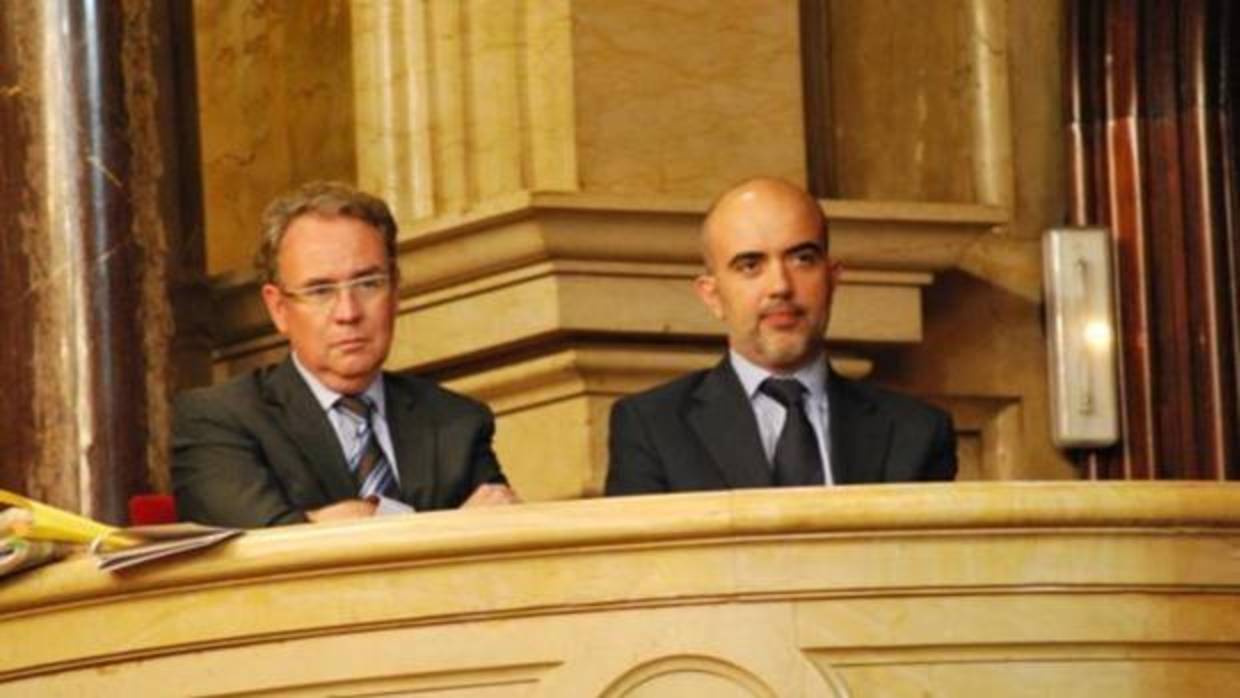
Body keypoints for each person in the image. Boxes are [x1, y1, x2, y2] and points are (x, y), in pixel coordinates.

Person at [173, 181, 518, 527]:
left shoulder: (455, 422)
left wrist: (345, 520)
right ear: (278, 308)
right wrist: (449, 526)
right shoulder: (218, 420)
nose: (348, 312)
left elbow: (501, 542)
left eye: (368, 284)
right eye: (320, 290)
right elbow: (268, 549)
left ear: (395, 291)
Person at [605, 177, 956, 495]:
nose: (780, 287)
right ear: (712, 295)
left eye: (802, 259)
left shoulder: (917, 432)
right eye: (750, 266)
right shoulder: (652, 427)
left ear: (832, 279)